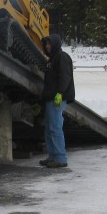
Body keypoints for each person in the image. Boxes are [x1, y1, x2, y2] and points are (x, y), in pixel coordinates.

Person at [40, 33, 75, 168]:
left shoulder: (62, 57)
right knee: (49, 128)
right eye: (46, 44)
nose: (47, 46)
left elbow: (65, 77)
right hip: (50, 97)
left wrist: (60, 93)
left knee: (55, 127)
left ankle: (60, 158)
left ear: (54, 44)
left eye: (49, 43)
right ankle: (53, 156)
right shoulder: (52, 59)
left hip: (57, 97)